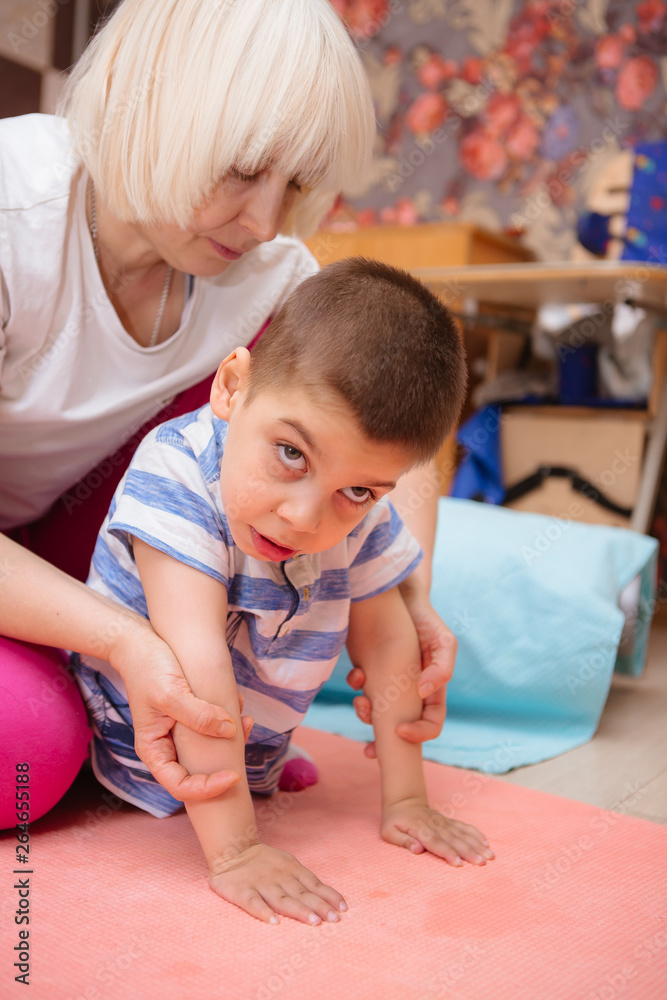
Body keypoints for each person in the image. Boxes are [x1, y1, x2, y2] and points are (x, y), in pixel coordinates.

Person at [0, 0, 456, 817]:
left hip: (68, 541)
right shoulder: (12, 215)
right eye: (243, 168)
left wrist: (408, 591)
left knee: (302, 412)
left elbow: (396, 433)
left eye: (297, 184)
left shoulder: (265, 272)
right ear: (145, 102)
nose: (265, 221)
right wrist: (126, 644)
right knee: (22, 750)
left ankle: (192, 733)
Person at [71, 258, 494, 926]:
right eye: (290, 454)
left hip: (249, 738)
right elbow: (194, 666)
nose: (304, 517)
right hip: (141, 747)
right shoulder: (177, 471)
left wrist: (406, 799)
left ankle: (262, 767)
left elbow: (387, 638)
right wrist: (237, 853)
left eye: (356, 491)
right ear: (233, 387)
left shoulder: (361, 513)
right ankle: (236, 793)